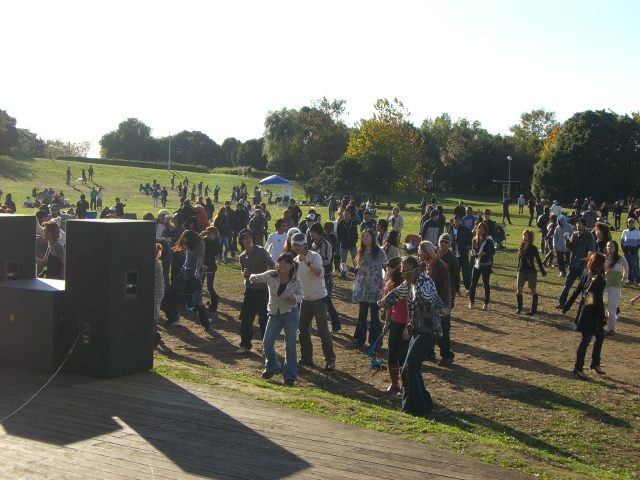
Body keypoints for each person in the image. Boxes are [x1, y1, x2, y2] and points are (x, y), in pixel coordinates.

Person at [378, 256, 448, 417]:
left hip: (428, 332)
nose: (405, 276)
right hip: (416, 330)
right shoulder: (409, 283)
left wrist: (441, 307)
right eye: (403, 272)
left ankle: (415, 409)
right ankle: (425, 403)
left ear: (417, 270)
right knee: (412, 369)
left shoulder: (424, 282)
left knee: (409, 369)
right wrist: (385, 301)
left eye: (408, 272)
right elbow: (399, 292)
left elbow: (432, 296)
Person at [249, 254, 303, 386]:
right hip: (274, 314)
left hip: (290, 314)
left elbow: (301, 295)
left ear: (291, 266)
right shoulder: (271, 275)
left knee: (290, 346)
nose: (283, 266)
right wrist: (253, 278)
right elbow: (255, 276)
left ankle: (290, 376)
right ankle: (272, 366)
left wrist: (295, 299)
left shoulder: (296, 281)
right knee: (267, 344)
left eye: (286, 263)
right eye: (280, 263)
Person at [291, 233, 336, 371]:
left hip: (318, 298)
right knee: (303, 330)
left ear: (305, 244)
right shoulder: (294, 260)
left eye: (299, 245)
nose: (297, 247)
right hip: (305, 299)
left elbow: (320, 274)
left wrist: (307, 263)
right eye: (294, 245)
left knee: (323, 331)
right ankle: (306, 357)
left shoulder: (314, 256)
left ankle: (330, 360)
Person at [562, 253, 607, 379]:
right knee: (586, 339)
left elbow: (576, 291)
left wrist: (567, 306)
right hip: (592, 313)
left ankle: (595, 363)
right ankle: (578, 368)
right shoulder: (599, 279)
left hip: (584, 310)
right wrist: (603, 317)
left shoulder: (586, 274)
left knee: (600, 335)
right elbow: (598, 301)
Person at [237, 229, 275, 354]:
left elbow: (272, 265)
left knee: (264, 319)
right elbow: (244, 272)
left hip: (263, 290)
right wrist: (245, 274)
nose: (248, 239)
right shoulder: (242, 256)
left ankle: (266, 347)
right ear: (241, 241)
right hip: (249, 291)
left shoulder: (261, 251)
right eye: (245, 238)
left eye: (250, 237)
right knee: (245, 318)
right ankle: (245, 345)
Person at [163, 230, 211, 329]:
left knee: (198, 300)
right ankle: (173, 317)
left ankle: (206, 323)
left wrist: (197, 271)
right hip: (184, 272)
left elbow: (200, 258)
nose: (184, 243)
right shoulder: (189, 243)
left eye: (185, 240)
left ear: (190, 238)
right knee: (169, 293)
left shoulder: (199, 244)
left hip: (194, 275)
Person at [418, 241, 454, 366]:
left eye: (420, 251)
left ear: (426, 253)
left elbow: (445, 289)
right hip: (429, 304)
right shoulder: (424, 265)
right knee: (428, 329)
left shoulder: (440, 266)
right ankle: (429, 353)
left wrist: (442, 307)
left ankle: (447, 355)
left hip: (440, 305)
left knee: (441, 330)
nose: (418, 254)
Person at [352, 229, 388, 348]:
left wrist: (386, 282)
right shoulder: (361, 251)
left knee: (374, 314)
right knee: (362, 313)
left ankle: (375, 341)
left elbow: (386, 266)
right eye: (363, 237)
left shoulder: (379, 252)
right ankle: (359, 339)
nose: (365, 238)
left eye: (367, 236)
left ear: (373, 237)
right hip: (363, 288)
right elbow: (358, 269)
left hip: (375, 288)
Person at [381, 256, 409, 394]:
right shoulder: (389, 284)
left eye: (389, 267)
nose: (387, 270)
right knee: (392, 353)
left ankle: (405, 386)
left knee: (403, 356)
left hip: (404, 324)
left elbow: (410, 308)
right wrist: (387, 323)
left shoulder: (405, 286)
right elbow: (388, 306)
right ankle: (394, 383)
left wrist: (407, 326)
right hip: (394, 322)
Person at [557, 218, 596, 309]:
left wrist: (589, 258)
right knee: (567, 285)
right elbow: (570, 247)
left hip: (584, 266)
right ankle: (562, 302)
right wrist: (566, 240)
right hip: (574, 265)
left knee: (586, 287)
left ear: (584, 225)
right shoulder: (575, 235)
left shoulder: (589, 236)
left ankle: (587, 305)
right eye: (577, 223)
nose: (578, 225)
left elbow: (591, 249)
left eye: (580, 223)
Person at [515, 229, 547, 315]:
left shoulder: (533, 248)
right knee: (519, 290)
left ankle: (533, 309)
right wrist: (518, 268)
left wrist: (542, 271)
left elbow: (538, 260)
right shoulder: (521, 247)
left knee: (533, 290)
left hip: (530, 272)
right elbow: (520, 260)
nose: (524, 236)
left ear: (530, 237)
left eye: (526, 235)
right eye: (524, 235)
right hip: (521, 271)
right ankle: (519, 308)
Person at [468, 222, 495, 310]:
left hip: (486, 264)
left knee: (486, 284)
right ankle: (471, 302)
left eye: (482, 228)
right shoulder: (475, 240)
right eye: (479, 228)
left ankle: (486, 303)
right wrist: (474, 254)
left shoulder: (489, 240)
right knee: (473, 283)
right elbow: (473, 252)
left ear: (485, 230)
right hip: (477, 264)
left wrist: (485, 253)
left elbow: (493, 251)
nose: (480, 230)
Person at [604, 240, 628, 336]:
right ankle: (601, 326)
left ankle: (611, 328)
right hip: (605, 286)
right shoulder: (604, 258)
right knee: (603, 306)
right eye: (608, 246)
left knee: (612, 308)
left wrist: (624, 278)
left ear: (616, 248)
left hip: (615, 287)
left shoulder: (621, 258)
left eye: (611, 246)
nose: (609, 248)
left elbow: (626, 268)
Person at [446, 214, 473, 293]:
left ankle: (468, 288)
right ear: (453, 220)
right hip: (454, 253)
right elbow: (447, 238)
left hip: (463, 253)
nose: (457, 221)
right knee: (455, 272)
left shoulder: (464, 229)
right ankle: (456, 288)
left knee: (466, 272)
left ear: (461, 221)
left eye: (459, 220)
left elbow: (471, 236)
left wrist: (468, 244)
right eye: (456, 220)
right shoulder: (450, 229)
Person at [201, 226, 221, 312]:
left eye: (210, 233)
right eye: (207, 233)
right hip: (202, 265)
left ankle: (214, 303)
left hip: (211, 266)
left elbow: (214, 252)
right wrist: (200, 235)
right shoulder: (204, 240)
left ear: (215, 234)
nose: (208, 235)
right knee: (199, 285)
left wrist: (212, 241)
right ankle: (199, 304)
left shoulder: (217, 242)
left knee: (210, 286)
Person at [337, 209, 359, 279]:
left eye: (347, 214)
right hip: (344, 245)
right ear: (343, 215)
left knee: (355, 259)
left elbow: (356, 233)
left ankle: (356, 272)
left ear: (350, 215)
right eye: (345, 214)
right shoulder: (340, 224)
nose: (346, 215)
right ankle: (343, 273)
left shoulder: (353, 223)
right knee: (343, 260)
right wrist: (342, 241)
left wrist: (355, 240)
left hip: (352, 244)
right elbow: (338, 235)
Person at [620, 217, 640, 285]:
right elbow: (622, 241)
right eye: (629, 222)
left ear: (634, 223)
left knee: (635, 266)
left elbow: (639, 242)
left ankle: (637, 280)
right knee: (628, 266)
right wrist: (624, 249)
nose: (630, 224)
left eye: (632, 222)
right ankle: (630, 279)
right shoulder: (625, 232)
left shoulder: (637, 232)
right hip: (626, 252)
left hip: (634, 252)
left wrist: (635, 249)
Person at [153, 241, 165, 348]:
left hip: (156, 292)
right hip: (159, 291)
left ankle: (154, 336)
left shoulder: (156, 264)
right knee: (155, 314)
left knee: (154, 315)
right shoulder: (158, 263)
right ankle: (155, 334)